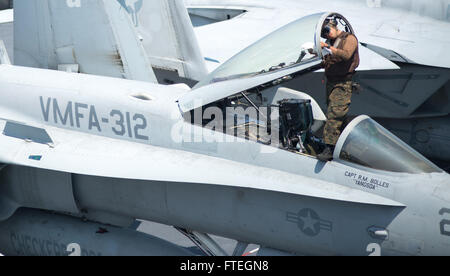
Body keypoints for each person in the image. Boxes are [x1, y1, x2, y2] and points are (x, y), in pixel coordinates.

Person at [317, 19, 360, 162]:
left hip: (342, 83)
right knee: (337, 114)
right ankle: (346, 146)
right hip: (331, 82)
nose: (327, 36)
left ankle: (329, 147)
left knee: (335, 114)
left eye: (327, 32)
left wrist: (329, 48)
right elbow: (327, 60)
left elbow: (346, 55)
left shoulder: (349, 39)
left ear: (333, 27)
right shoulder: (331, 42)